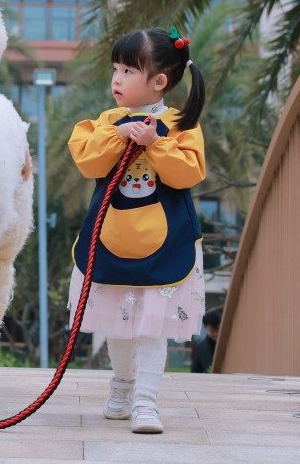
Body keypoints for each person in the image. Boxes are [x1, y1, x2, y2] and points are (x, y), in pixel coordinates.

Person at [66, 26, 206, 435]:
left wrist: (155, 142)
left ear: (158, 81)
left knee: (152, 326)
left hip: (166, 246)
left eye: (128, 70)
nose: (116, 79)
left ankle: (146, 402)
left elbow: (189, 173)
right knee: (118, 324)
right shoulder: (105, 122)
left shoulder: (182, 123)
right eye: (116, 69)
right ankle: (122, 386)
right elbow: (89, 163)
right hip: (110, 241)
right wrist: (119, 134)